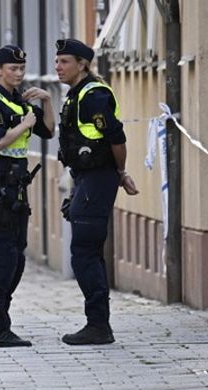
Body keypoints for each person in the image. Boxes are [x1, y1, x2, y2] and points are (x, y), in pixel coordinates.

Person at [53, 37, 139, 345]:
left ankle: (98, 325)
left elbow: (116, 137)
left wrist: (121, 172)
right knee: (86, 252)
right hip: (87, 179)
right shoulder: (76, 95)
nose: (58, 66)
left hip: (98, 178)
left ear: (83, 65)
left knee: (84, 253)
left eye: (64, 62)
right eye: (57, 61)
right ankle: (98, 323)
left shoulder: (93, 95)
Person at [0, 45, 55, 348]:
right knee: (3, 257)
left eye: (21, 68)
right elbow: (0, 143)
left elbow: (48, 130)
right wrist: (24, 123)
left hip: (16, 188)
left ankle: (2, 318)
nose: (18, 74)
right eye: (13, 69)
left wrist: (46, 101)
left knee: (17, 257)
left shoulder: (19, 101)